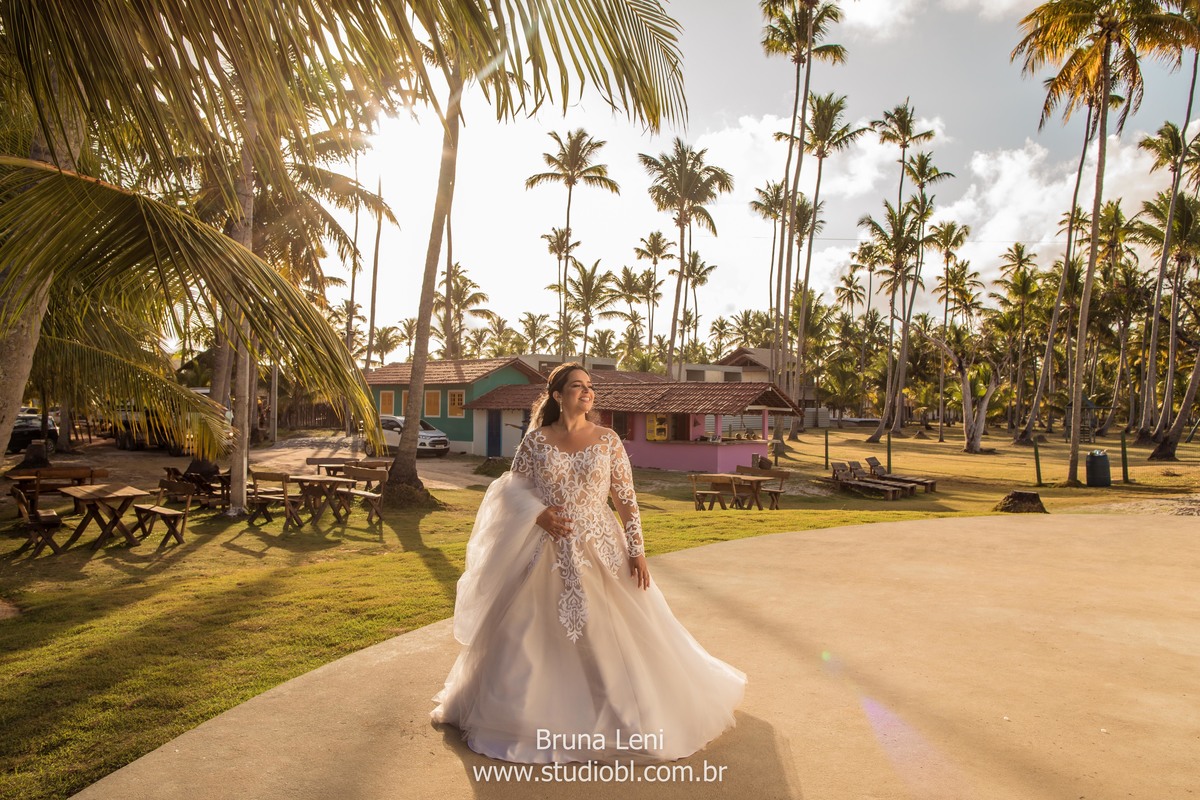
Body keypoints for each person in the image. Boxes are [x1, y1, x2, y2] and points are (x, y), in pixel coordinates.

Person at [432, 363, 745, 763]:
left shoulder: (607, 439)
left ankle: (625, 711)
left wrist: (637, 550)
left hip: (602, 547)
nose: (587, 392)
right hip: (546, 548)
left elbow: (625, 499)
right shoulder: (536, 441)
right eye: (577, 386)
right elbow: (510, 490)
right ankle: (524, 714)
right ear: (557, 395)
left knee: (612, 629)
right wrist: (537, 513)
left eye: (589, 386)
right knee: (527, 628)